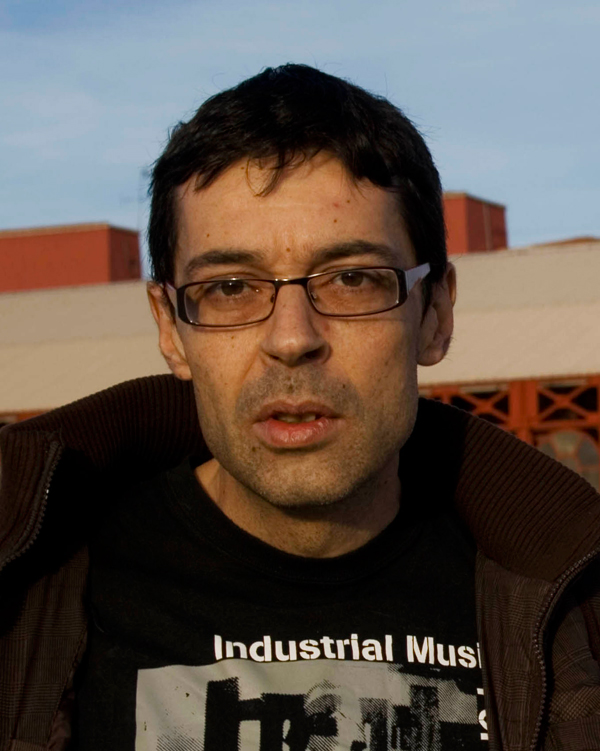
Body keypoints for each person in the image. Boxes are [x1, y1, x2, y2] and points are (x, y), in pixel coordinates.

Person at [1, 64, 599, 751]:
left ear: (435, 313)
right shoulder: (25, 599)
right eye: (231, 287)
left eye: (352, 278)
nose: (291, 339)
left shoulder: (576, 609)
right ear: (170, 327)